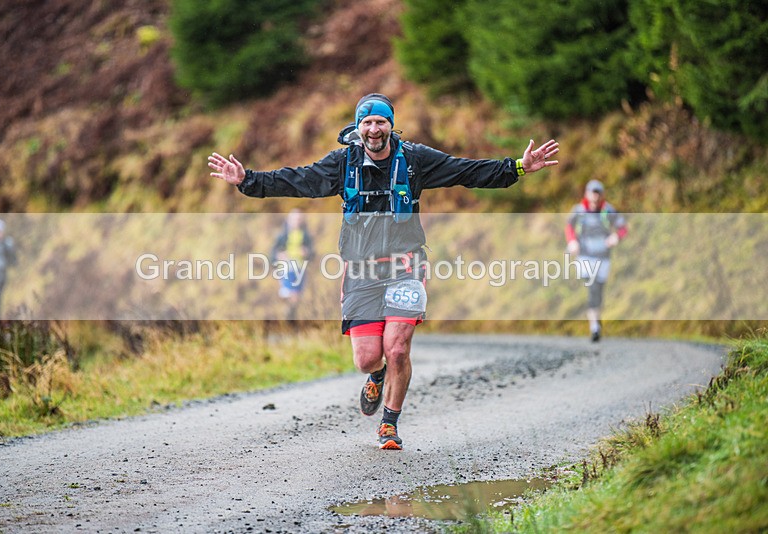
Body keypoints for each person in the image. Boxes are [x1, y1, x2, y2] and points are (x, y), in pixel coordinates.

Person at [209, 93, 559, 449]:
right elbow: (298, 179)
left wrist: (516, 167)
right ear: (358, 128)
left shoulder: (415, 160)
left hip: (406, 266)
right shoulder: (343, 163)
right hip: (360, 271)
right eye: (367, 123)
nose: (374, 129)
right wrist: (247, 180)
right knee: (368, 359)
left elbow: (465, 171)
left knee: (397, 349)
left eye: (380, 122)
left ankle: (389, 424)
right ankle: (376, 376)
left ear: (391, 125)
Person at [565, 179, 627, 342]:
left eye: (598, 193)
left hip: (603, 256)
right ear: (587, 194)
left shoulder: (608, 211)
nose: (595, 196)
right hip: (585, 255)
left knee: (598, 289)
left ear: (602, 195)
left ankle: (596, 318)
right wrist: (572, 242)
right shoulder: (579, 210)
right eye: (592, 193)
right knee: (592, 286)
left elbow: (622, 228)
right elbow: (569, 227)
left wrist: (616, 237)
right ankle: (594, 325)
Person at [270, 209, 315, 320]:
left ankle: (290, 313)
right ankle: (286, 311)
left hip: (300, 268)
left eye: (299, 219)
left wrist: (306, 252)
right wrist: (279, 255)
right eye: (294, 219)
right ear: (288, 220)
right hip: (286, 267)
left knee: (296, 296)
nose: (297, 222)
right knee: (290, 293)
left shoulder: (306, 235)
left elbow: (312, 253)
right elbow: (273, 253)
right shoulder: (282, 235)